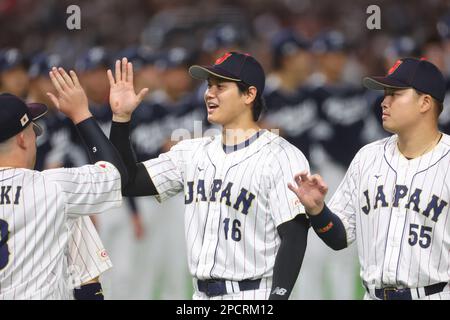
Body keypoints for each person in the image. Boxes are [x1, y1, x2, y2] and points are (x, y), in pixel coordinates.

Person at [107, 53, 310, 300]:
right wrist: (121, 120)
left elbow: (294, 235)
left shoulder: (282, 155)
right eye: (209, 86)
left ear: (249, 94)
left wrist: (277, 300)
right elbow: (129, 183)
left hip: (253, 295)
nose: (209, 93)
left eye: (220, 86)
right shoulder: (191, 151)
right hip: (200, 297)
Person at [288, 57, 450, 300]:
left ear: (425, 102)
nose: (384, 101)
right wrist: (318, 210)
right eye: (385, 93)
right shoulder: (367, 157)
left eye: (395, 94)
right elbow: (339, 237)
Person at [0, 67, 127, 299]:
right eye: (33, 130)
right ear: (21, 139)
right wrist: (81, 114)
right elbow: (116, 174)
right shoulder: (56, 188)